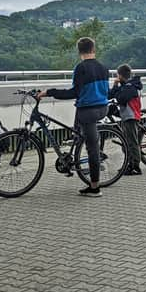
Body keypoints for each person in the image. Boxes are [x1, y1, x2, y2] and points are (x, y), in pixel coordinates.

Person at [37, 37, 109, 197]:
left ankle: (95, 188)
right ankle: (76, 143)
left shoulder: (80, 68)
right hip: (103, 108)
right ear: (93, 49)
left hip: (88, 112)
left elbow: (73, 93)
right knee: (80, 126)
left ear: (79, 51)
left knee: (93, 150)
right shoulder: (104, 67)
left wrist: (50, 92)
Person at [110, 64, 144, 176]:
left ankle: (135, 167)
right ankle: (129, 164)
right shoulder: (126, 85)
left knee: (132, 142)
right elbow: (112, 94)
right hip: (127, 115)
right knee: (128, 141)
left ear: (119, 75)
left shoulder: (130, 86)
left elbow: (121, 98)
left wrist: (116, 87)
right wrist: (116, 86)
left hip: (131, 116)